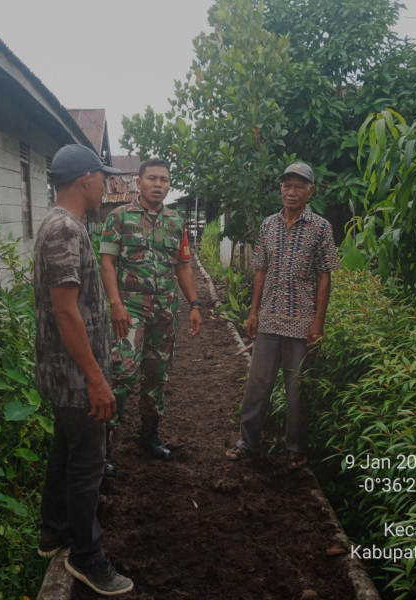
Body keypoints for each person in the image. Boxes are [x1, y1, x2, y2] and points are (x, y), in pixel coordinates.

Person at [33, 144, 133, 595]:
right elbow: (66, 313)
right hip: (76, 378)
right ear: (83, 181)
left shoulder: (66, 226)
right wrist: (97, 379)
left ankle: (54, 531)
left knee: (65, 450)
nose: (106, 185)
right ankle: (87, 557)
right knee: (87, 464)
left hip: (63, 374)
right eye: (101, 177)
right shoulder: (64, 231)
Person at [225, 161, 339, 468]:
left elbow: (325, 276)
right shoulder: (268, 226)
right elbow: (260, 270)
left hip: (302, 323)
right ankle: (247, 443)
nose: (292, 192)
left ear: (310, 191)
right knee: (257, 385)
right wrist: (252, 313)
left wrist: (318, 322)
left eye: (299, 186)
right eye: (287, 186)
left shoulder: (321, 228)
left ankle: (295, 449)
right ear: (280, 189)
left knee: (297, 391)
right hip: (269, 320)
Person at [99, 158, 203, 477]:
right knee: (124, 373)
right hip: (129, 310)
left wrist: (195, 304)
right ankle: (102, 447)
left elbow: (183, 265)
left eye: (165, 179)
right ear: (139, 182)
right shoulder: (120, 217)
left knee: (157, 376)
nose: (159, 185)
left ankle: (149, 437)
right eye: (152, 178)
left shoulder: (175, 222)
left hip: (164, 311)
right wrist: (115, 303)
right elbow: (107, 261)